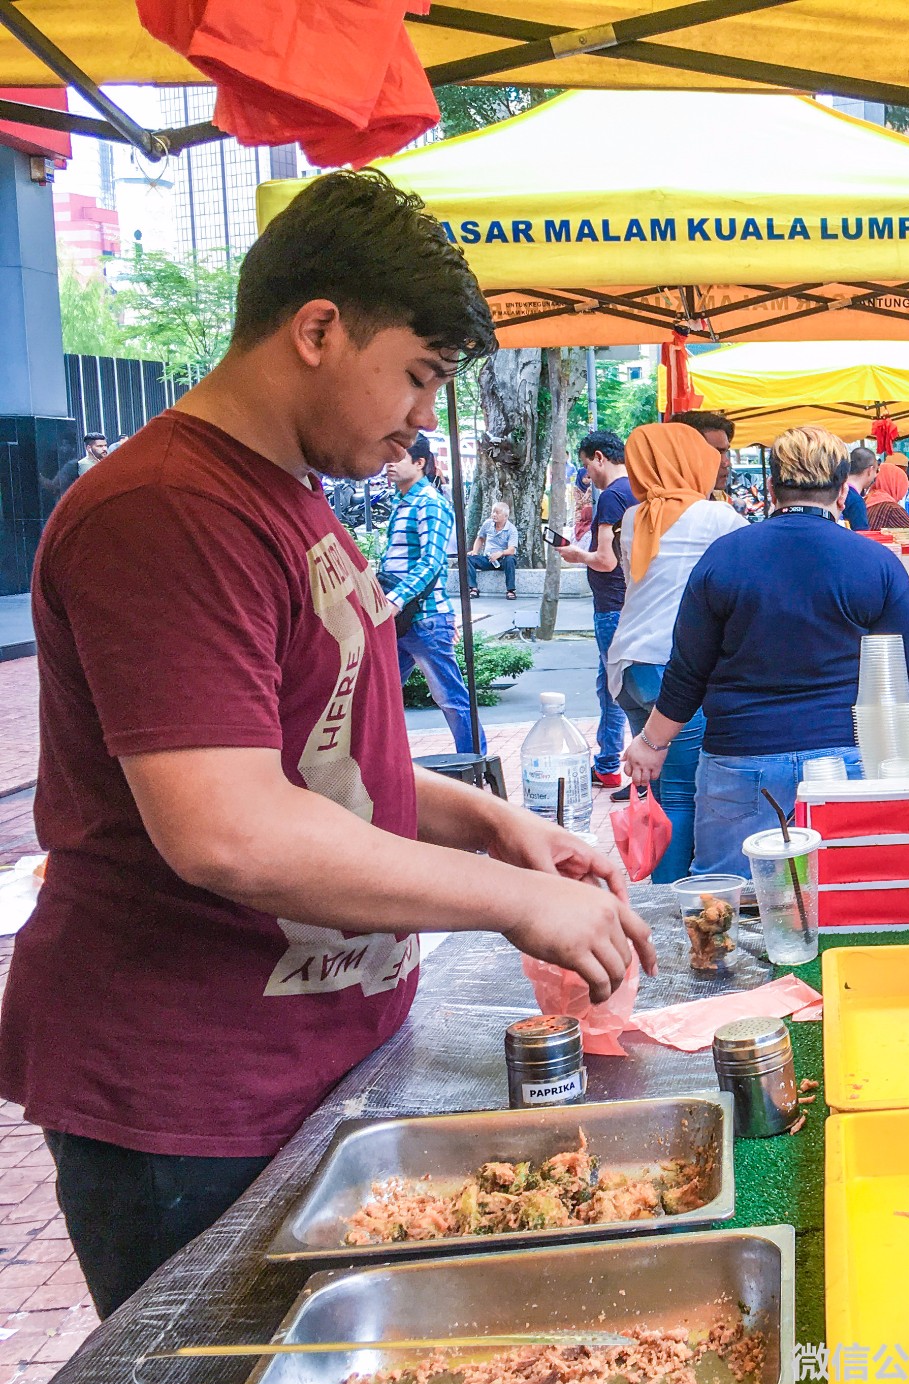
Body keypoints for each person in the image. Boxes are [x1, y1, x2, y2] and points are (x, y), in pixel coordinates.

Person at [0, 168, 653, 1318]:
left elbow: (324, 763)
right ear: (316, 329)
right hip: (192, 1092)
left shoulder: (286, 491)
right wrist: (507, 901)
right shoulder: (167, 510)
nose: (419, 415)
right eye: (417, 375)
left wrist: (496, 827)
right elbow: (230, 829)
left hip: (308, 1049)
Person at [623, 427, 909, 874]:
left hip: (739, 758)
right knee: (838, 899)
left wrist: (652, 743)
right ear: (843, 490)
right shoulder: (876, 563)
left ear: (771, 488)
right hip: (843, 760)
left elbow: (688, 671)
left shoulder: (724, 557)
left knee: (726, 910)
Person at [606, 422, 748, 879]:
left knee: (659, 791)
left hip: (628, 666)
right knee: (684, 794)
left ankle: (656, 894)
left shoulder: (632, 519)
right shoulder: (718, 518)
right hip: (674, 669)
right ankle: (670, 909)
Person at [381, 433, 483, 754]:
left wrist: (394, 600)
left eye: (397, 458)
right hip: (402, 620)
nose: (388, 465)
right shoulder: (403, 502)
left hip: (423, 619)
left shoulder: (430, 504)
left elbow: (431, 562)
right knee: (380, 697)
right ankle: (387, 766)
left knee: (451, 699)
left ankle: (474, 767)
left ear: (420, 463)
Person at [554, 429, 633, 789]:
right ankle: (606, 762)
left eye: (587, 466)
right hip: (630, 602)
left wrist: (575, 555)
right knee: (613, 685)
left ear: (600, 457)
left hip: (612, 606)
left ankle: (621, 766)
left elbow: (605, 560)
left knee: (619, 690)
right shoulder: (638, 490)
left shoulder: (612, 497)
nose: (587, 475)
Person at [466, 501, 519, 597]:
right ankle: (473, 588)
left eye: (497, 513)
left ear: (505, 516)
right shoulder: (488, 524)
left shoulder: (512, 529)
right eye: (493, 512)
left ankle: (511, 590)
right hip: (488, 558)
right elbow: (480, 538)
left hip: (503, 559)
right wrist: (475, 551)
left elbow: (512, 550)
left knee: (510, 559)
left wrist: (500, 553)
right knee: (468, 558)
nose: (494, 515)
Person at [843, 444, 878, 530]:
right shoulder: (856, 501)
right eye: (876, 471)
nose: (876, 475)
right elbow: (862, 535)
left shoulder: (836, 491)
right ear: (870, 470)